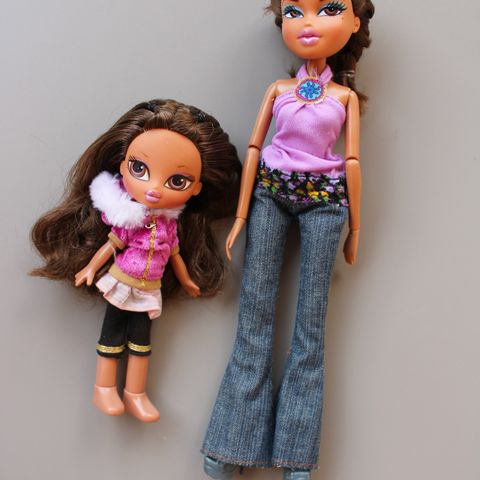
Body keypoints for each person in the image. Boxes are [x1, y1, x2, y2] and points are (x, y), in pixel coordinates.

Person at [202, 0, 374, 477]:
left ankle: (296, 455)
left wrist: (356, 226)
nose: (309, 23)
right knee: (254, 314)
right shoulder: (278, 89)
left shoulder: (344, 97)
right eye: (295, 11)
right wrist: (241, 214)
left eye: (330, 9)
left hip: (325, 201)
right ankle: (232, 443)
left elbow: (352, 161)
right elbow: (255, 148)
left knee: (310, 328)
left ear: (354, 21)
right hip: (271, 193)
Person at [31, 99, 241, 422]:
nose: (154, 189)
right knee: (112, 334)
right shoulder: (130, 220)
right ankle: (103, 388)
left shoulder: (169, 227)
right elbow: (111, 245)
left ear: (197, 187)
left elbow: (175, 256)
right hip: (122, 282)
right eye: (139, 169)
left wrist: (187, 280)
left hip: (148, 290)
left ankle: (135, 392)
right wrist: (90, 268)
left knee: (141, 341)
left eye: (177, 181)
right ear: (122, 165)